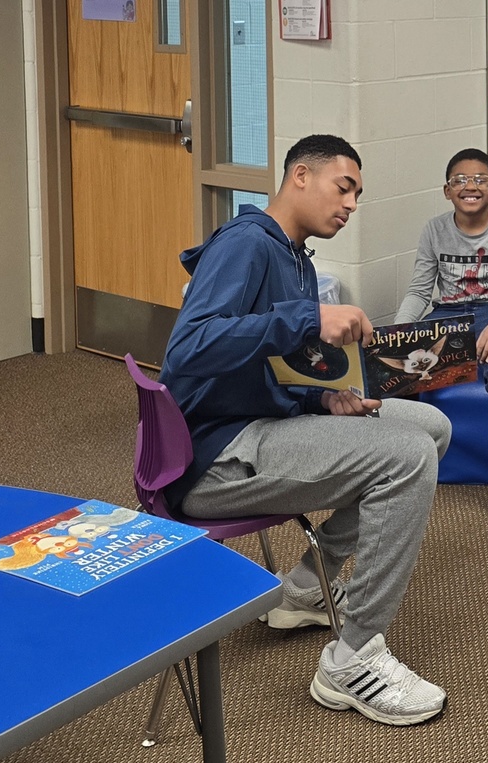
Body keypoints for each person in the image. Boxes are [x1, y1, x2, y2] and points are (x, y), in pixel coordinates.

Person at [159, 134, 452, 726]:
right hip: (216, 455)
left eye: (358, 195)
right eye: (343, 187)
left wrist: (321, 398)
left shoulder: (293, 256)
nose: (350, 204)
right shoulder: (247, 245)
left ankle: (306, 589)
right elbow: (187, 350)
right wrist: (308, 315)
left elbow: (260, 366)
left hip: (259, 422)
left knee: (431, 425)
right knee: (408, 457)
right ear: (299, 176)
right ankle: (352, 658)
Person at [393, 148, 488, 528]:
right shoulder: (434, 230)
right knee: (392, 371)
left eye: (479, 180)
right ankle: (390, 463)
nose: (470, 186)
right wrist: (396, 334)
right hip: (448, 316)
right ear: (446, 190)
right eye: (460, 180)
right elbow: (420, 293)